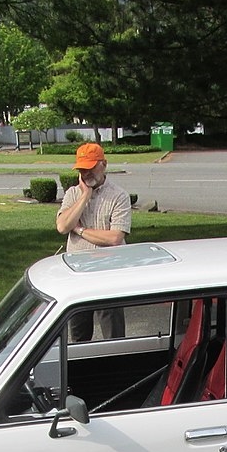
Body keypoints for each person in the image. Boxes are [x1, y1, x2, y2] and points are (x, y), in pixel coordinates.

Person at [56, 142, 132, 341]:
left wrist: (80, 229)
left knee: (113, 336)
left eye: (90, 168)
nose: (85, 173)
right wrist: (84, 197)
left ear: (104, 165)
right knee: (79, 337)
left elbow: (115, 238)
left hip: (109, 273)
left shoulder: (119, 196)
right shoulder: (73, 193)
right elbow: (63, 226)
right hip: (79, 274)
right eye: (82, 169)